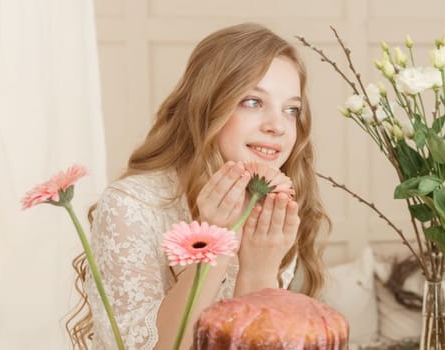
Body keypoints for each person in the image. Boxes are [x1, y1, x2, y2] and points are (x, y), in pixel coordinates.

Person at [65, 23, 330, 350]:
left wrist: (259, 271)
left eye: (292, 109)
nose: (278, 126)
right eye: (252, 101)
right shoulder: (131, 206)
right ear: (207, 105)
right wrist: (214, 242)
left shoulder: (268, 211)